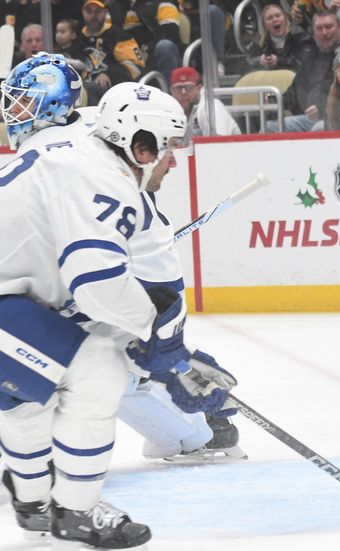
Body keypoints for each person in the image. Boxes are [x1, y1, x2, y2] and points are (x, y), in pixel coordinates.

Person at [0, 68, 189, 547]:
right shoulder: (104, 176)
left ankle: (34, 506)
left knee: (29, 395)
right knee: (99, 369)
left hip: (10, 304)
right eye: (166, 147)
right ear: (139, 145)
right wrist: (156, 332)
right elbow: (97, 284)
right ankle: (77, 512)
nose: (171, 161)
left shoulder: (71, 152)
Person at [272, 9, 340, 133]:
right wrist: (277, 101)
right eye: (319, 28)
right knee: (267, 125)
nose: (324, 32)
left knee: (272, 128)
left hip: (336, 119)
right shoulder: (310, 57)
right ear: (313, 33)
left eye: (329, 27)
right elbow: (295, 89)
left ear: (339, 28)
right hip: (306, 118)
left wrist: (322, 109)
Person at [79, 0, 145, 104]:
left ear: (105, 12)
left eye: (97, 12)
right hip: (78, 89)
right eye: (89, 11)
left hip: (111, 94)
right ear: (82, 12)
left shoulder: (119, 36)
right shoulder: (76, 37)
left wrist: (109, 75)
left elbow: (136, 66)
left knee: (88, 91)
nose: (93, 16)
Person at [115, 0, 182, 84]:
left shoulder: (165, 2)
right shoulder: (123, 6)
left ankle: (168, 93)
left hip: (166, 54)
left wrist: (147, 49)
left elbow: (170, 33)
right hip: (140, 54)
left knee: (164, 46)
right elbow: (127, 37)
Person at [170, 66, 241, 143]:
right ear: (171, 91)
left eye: (188, 87)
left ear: (199, 88)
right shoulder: (171, 113)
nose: (183, 92)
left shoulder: (210, 107)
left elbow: (219, 144)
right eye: (178, 88)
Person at [248, 3, 312, 72]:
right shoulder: (259, 40)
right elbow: (249, 60)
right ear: (265, 25)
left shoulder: (298, 34)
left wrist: (278, 60)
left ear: (285, 19)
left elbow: (304, 62)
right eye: (269, 18)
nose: (275, 20)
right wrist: (260, 60)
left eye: (278, 16)